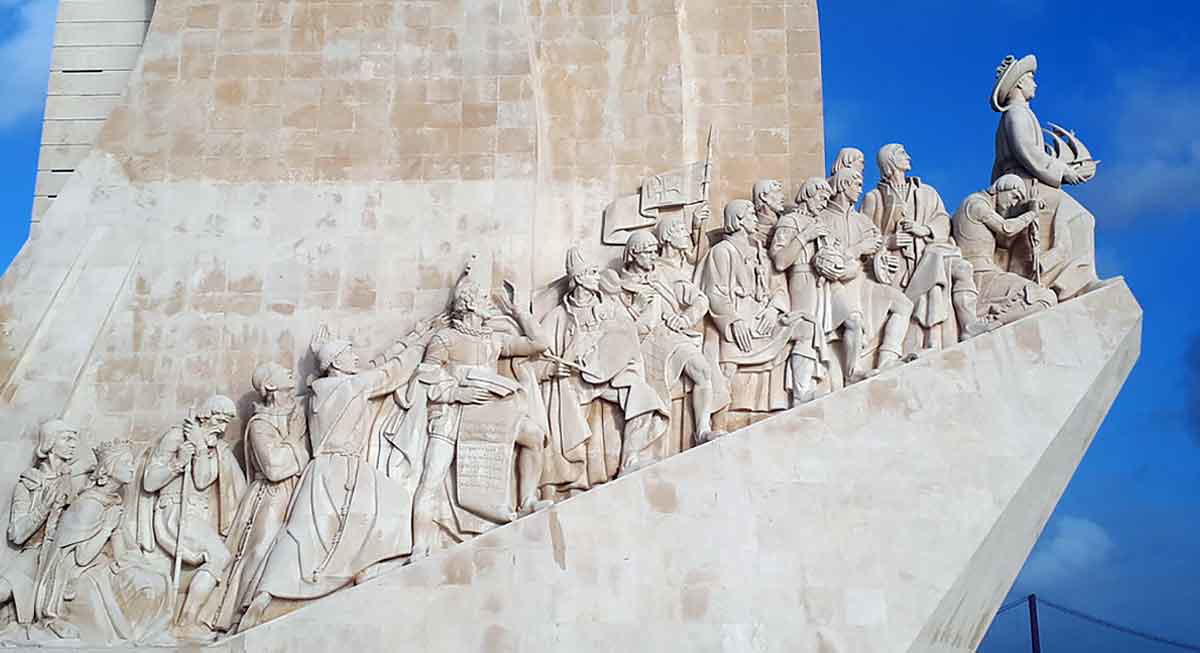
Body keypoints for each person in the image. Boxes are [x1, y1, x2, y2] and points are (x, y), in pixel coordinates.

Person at [239, 321, 437, 630]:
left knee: (302, 533)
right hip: (344, 467)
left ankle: (263, 596)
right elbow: (391, 372)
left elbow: (374, 366)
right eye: (349, 354)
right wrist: (423, 341)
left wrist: (410, 337)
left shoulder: (319, 391)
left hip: (319, 470)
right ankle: (362, 570)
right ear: (337, 363)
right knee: (396, 503)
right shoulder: (352, 386)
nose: (356, 358)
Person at [410, 277, 551, 556]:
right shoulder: (445, 339)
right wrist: (455, 393)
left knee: (534, 437)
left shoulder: (493, 340)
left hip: (489, 415)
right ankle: (418, 546)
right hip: (453, 414)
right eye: (484, 299)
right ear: (470, 304)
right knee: (431, 478)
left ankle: (527, 502)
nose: (489, 304)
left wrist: (519, 311)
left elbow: (539, 344)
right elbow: (424, 379)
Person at [538, 247, 669, 495]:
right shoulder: (558, 316)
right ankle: (557, 485)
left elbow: (630, 335)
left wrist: (637, 310)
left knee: (644, 396)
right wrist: (551, 369)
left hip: (609, 375)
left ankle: (629, 461)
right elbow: (537, 352)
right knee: (559, 414)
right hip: (574, 380)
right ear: (577, 278)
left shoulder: (608, 307)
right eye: (590, 272)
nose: (596, 276)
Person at [201, 363, 309, 632]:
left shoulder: (297, 412)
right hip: (270, 496)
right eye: (283, 372)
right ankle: (240, 612)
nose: (290, 373)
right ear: (270, 385)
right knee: (260, 550)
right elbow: (274, 468)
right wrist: (296, 442)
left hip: (298, 488)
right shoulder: (260, 424)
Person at [31, 439, 171, 645]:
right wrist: (107, 528)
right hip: (74, 579)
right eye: (126, 463)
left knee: (154, 581)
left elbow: (120, 551)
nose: (132, 468)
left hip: (102, 565)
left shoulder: (113, 501)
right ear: (108, 469)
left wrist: (136, 565)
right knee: (137, 590)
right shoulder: (89, 505)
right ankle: (133, 635)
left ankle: (147, 634)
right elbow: (82, 557)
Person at [991, 53, 1100, 300]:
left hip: (1032, 181)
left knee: (1078, 220)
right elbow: (1027, 151)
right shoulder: (1015, 114)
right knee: (1080, 218)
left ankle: (1071, 280)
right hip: (1026, 186)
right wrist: (1064, 172)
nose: (1035, 84)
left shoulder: (1020, 113)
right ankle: (1074, 283)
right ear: (1019, 83)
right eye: (1031, 78)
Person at [695, 200, 815, 426]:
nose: (755, 218)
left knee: (805, 329)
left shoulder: (759, 251)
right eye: (750, 214)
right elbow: (715, 293)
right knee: (726, 366)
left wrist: (774, 309)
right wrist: (733, 320)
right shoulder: (722, 251)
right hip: (738, 319)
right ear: (738, 220)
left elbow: (778, 286)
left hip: (763, 317)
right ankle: (713, 425)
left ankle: (801, 394)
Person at [861, 144, 991, 349]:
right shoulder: (874, 198)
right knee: (931, 278)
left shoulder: (926, 192)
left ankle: (968, 324)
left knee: (961, 268)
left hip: (929, 252)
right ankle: (927, 344)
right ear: (890, 161)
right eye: (902, 154)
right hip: (899, 266)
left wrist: (925, 229)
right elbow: (865, 236)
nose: (909, 157)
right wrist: (888, 241)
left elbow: (942, 219)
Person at [138, 395, 244, 640]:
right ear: (205, 416)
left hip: (198, 514)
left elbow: (202, 479)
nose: (222, 427)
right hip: (175, 510)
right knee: (219, 556)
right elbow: (150, 481)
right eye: (219, 419)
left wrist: (200, 449)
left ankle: (188, 619)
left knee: (221, 556)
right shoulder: (176, 437)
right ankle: (186, 621)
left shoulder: (213, 447)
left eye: (226, 421)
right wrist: (177, 462)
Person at [607, 230, 726, 446]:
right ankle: (635, 452)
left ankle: (702, 431)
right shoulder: (618, 285)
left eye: (655, 251)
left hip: (671, 335)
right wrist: (636, 308)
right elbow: (615, 326)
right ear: (634, 254)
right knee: (647, 394)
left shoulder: (663, 274)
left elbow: (700, 299)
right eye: (648, 252)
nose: (654, 256)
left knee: (703, 370)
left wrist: (685, 318)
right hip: (642, 343)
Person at [815, 168, 914, 383]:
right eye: (856, 185)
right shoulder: (822, 218)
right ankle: (852, 372)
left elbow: (878, 248)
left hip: (862, 281)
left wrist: (885, 258)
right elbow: (828, 258)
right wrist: (860, 248)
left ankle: (887, 359)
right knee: (853, 321)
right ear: (843, 185)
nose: (860, 190)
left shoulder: (862, 220)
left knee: (903, 304)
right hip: (835, 285)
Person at [0, 421, 79, 632]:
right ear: (51, 442)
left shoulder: (71, 482)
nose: (73, 445)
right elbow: (16, 534)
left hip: (64, 554)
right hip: (35, 552)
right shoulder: (28, 483)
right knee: (3, 590)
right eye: (67, 439)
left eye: (74, 440)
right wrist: (43, 508)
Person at [952, 174, 1058, 325]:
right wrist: (1031, 214)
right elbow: (1006, 228)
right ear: (1002, 188)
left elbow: (1004, 241)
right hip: (980, 274)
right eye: (1014, 197)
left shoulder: (984, 207)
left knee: (1045, 297)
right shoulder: (976, 204)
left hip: (987, 272)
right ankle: (988, 323)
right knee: (1043, 297)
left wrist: (1024, 210)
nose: (1013, 203)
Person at [770, 177, 834, 402]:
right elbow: (779, 260)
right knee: (806, 329)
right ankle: (800, 390)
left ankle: (811, 385)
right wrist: (805, 235)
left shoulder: (820, 223)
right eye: (821, 197)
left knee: (817, 333)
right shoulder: (789, 221)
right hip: (800, 277)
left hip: (821, 283)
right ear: (808, 194)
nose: (824, 203)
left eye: (827, 199)